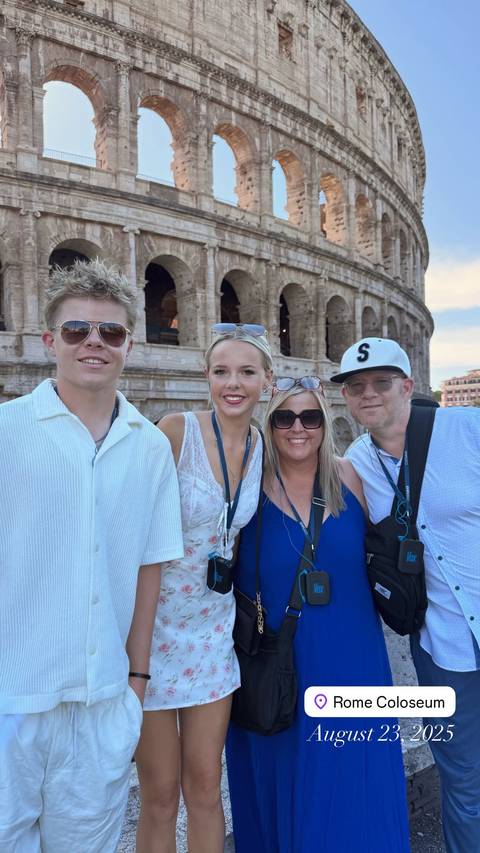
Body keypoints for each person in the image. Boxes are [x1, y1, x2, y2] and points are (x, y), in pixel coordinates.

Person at [0, 259, 184, 851]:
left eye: (110, 332)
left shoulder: (151, 447)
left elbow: (150, 566)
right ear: (51, 340)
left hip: (104, 700)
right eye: (77, 330)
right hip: (12, 697)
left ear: (130, 343)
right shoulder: (7, 429)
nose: (94, 343)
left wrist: (135, 682)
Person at [226, 377, 410, 853]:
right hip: (279, 662)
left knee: (355, 772)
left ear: (325, 424)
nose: (298, 428)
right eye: (284, 418)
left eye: (310, 417)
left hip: (355, 658)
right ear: (269, 425)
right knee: (283, 772)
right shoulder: (249, 487)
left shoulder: (352, 477)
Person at [334, 336, 480, 853]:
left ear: (408, 386)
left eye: (380, 383)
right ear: (347, 399)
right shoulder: (356, 463)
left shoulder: (468, 430)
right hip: (441, 646)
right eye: (356, 387)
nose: (368, 394)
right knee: (463, 783)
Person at [135, 323, 273, 853]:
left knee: (206, 790)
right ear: (206, 378)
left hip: (212, 638)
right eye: (221, 372)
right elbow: (134, 540)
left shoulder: (265, 446)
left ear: (267, 381)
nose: (231, 383)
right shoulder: (175, 431)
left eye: (245, 372)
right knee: (159, 795)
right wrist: (135, 659)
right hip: (150, 634)